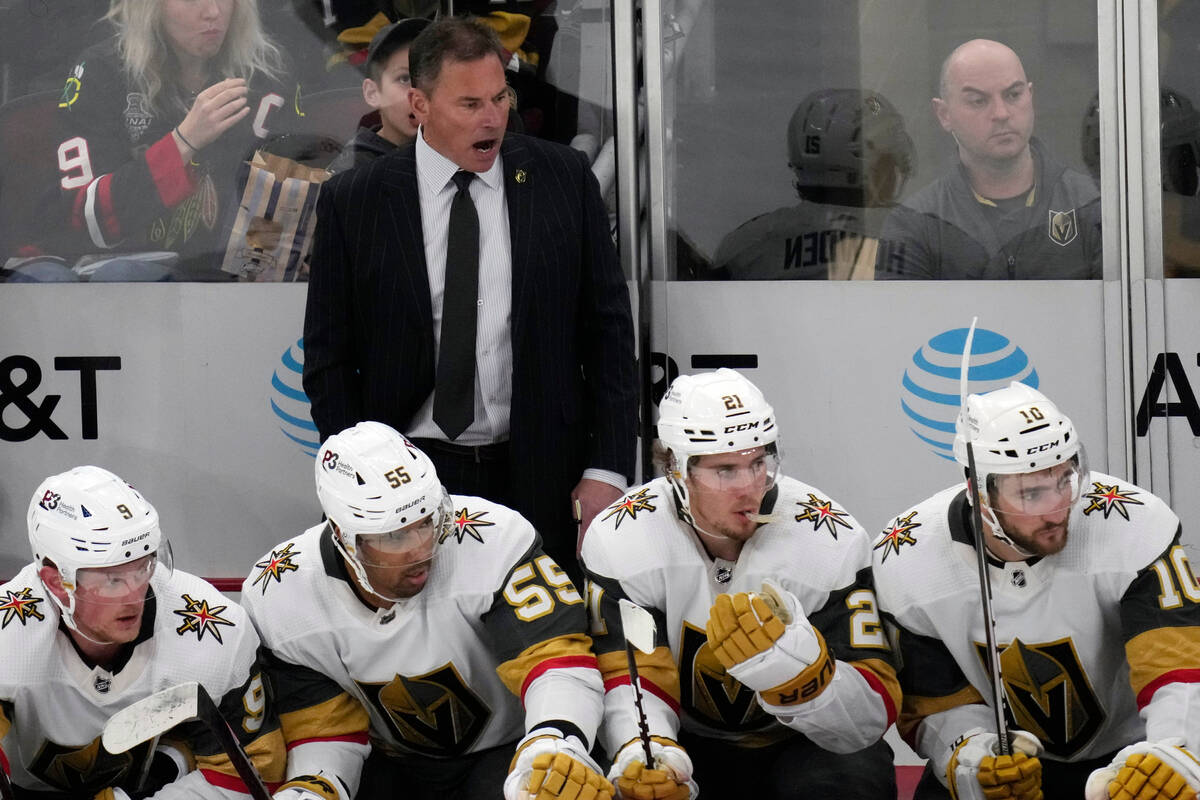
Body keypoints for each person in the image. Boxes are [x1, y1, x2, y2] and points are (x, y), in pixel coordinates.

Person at [302, 16, 637, 578]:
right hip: (409, 477)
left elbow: (607, 331)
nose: (493, 118)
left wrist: (607, 469)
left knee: (544, 646)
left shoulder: (562, 178)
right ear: (419, 105)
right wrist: (355, 475)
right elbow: (329, 356)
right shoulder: (355, 200)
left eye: (500, 97)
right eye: (470, 104)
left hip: (542, 472)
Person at [240, 421, 611, 800]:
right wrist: (314, 787)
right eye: (395, 535)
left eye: (426, 523)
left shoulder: (492, 537)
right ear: (343, 536)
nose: (421, 549)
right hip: (387, 763)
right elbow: (323, 729)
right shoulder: (281, 592)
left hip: (510, 749)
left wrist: (552, 742)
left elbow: (555, 661)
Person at [579, 369, 900, 799]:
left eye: (758, 464)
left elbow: (868, 720)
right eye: (725, 470)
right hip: (683, 737)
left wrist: (803, 678)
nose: (749, 488)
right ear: (675, 468)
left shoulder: (827, 535)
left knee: (851, 783)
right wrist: (652, 754)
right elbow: (631, 678)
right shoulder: (623, 534)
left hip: (799, 742)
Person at [871, 382, 1200, 800]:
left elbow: (1180, 668)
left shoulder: (1133, 525)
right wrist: (974, 757)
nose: (1058, 508)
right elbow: (935, 699)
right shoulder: (909, 558)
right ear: (978, 491)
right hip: (1005, 756)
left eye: (1064, 480)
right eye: (1031, 493)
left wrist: (1175, 753)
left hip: (1132, 753)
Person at [0, 465, 286, 798]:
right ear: (57, 583)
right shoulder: (9, 638)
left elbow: (249, 775)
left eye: (142, 567)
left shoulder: (215, 630)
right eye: (112, 580)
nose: (137, 594)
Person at [26, 0, 301, 281]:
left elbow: (287, 217)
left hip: (215, 275)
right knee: (120, 276)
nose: (213, 12)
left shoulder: (267, 74)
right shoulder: (101, 70)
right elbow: (91, 219)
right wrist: (184, 141)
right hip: (104, 264)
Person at [876, 39, 1102, 279]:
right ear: (944, 114)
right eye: (978, 101)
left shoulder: (1091, 205)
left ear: (1030, 96)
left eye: (1013, 95)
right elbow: (904, 316)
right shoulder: (916, 223)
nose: (1001, 113)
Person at [709, 88, 916, 280]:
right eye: (889, 155)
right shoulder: (923, 237)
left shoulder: (749, 244)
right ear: (870, 163)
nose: (896, 163)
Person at [327, 17, 430, 174]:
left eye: (432, 78)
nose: (420, 92)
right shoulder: (352, 174)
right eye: (404, 79)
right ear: (373, 93)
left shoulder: (459, 154)